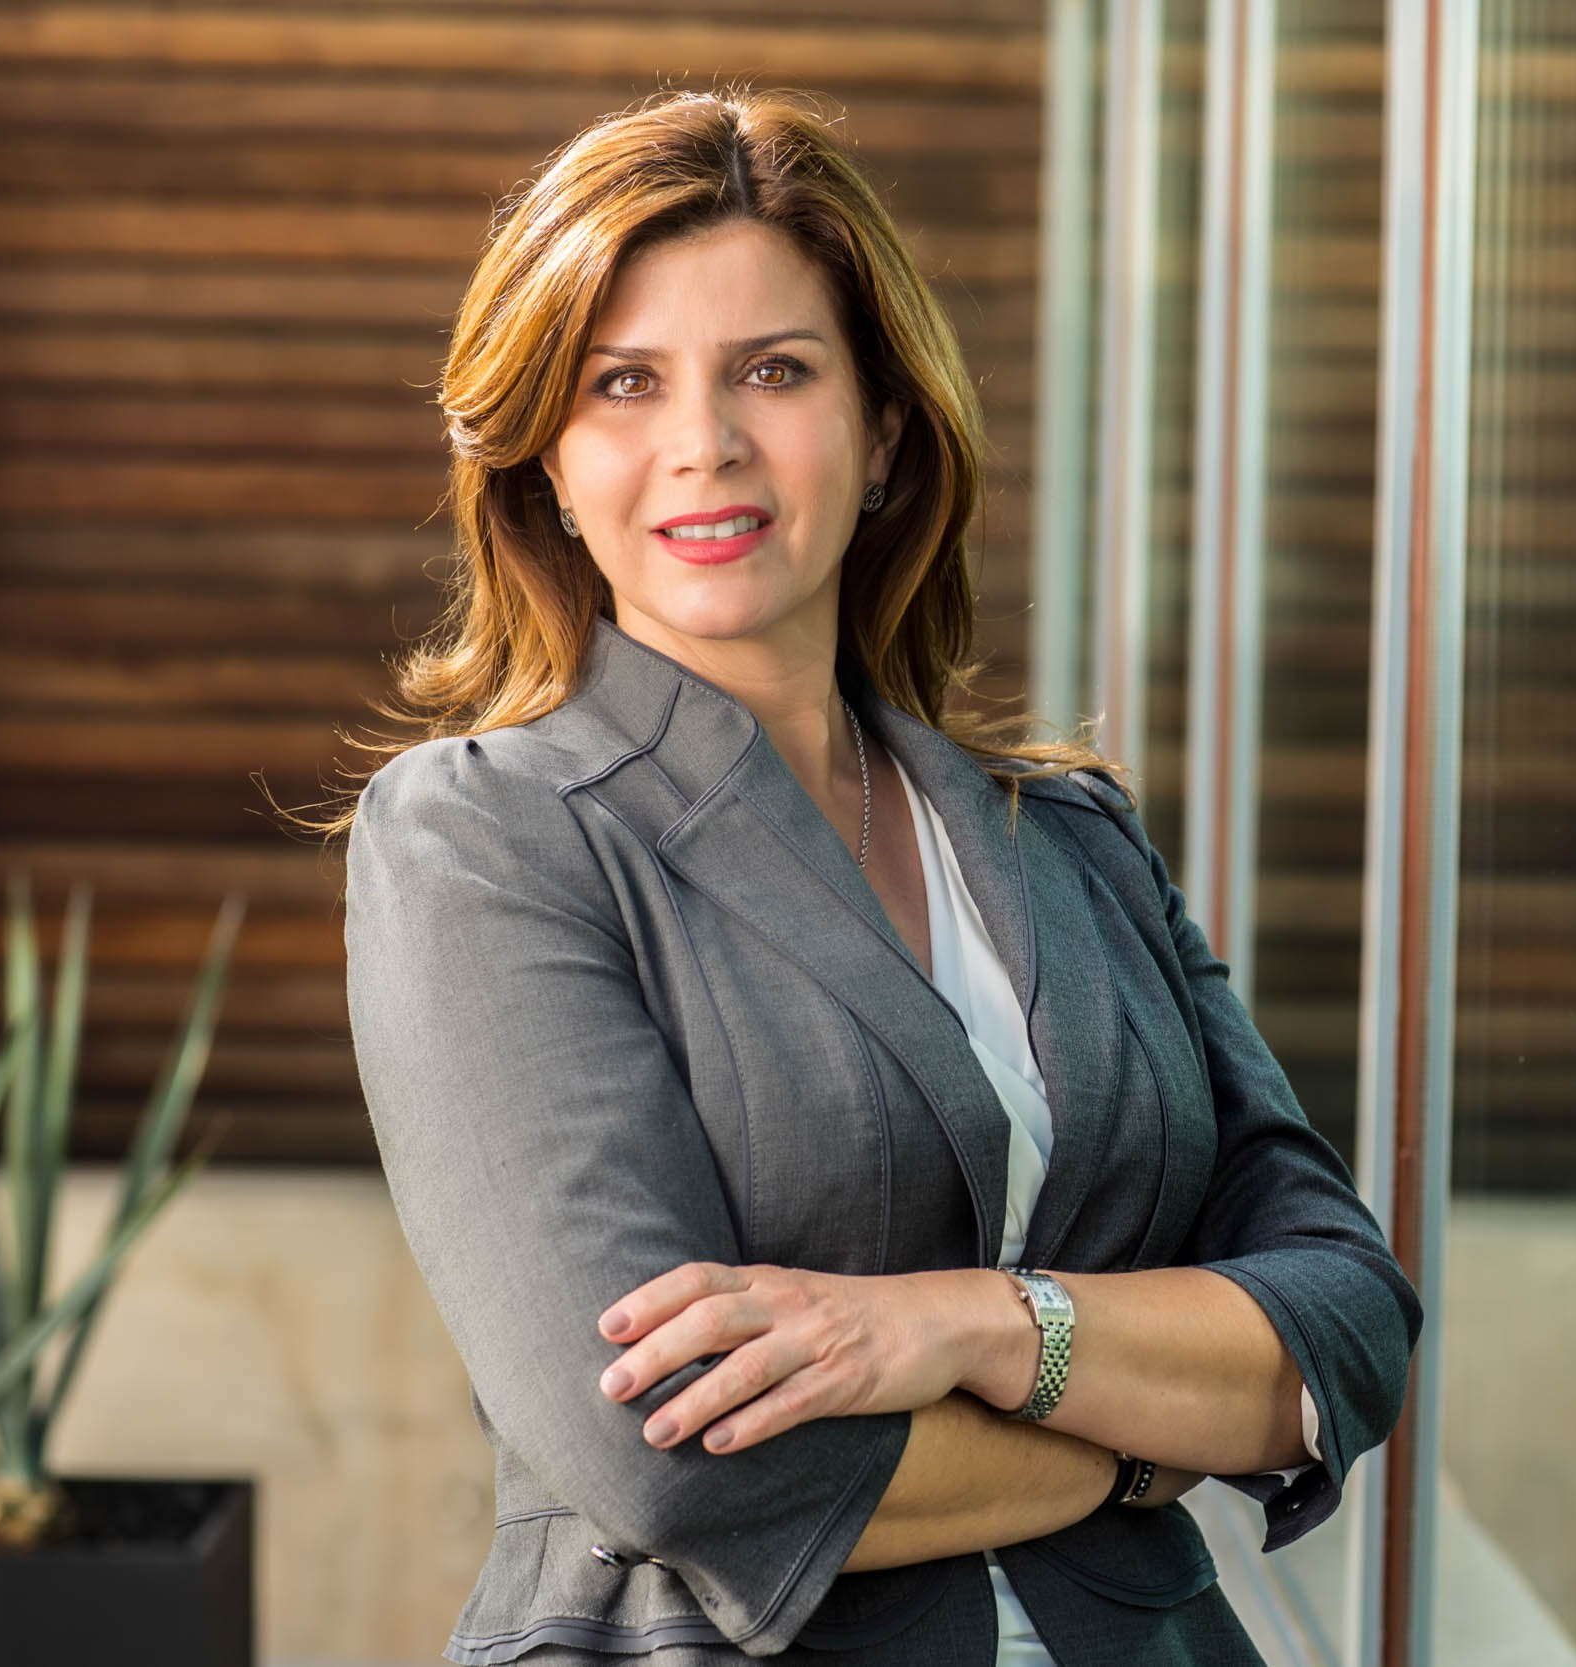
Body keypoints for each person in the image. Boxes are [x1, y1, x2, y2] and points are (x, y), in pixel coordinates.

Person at [331, 86, 1422, 1666]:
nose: (704, 443)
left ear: (887, 428)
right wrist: (1141, 1440)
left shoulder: (1070, 837)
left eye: (774, 370)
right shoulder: (488, 835)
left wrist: (971, 1325)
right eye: (624, 384)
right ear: (549, 463)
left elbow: (1343, 1314)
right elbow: (668, 1455)